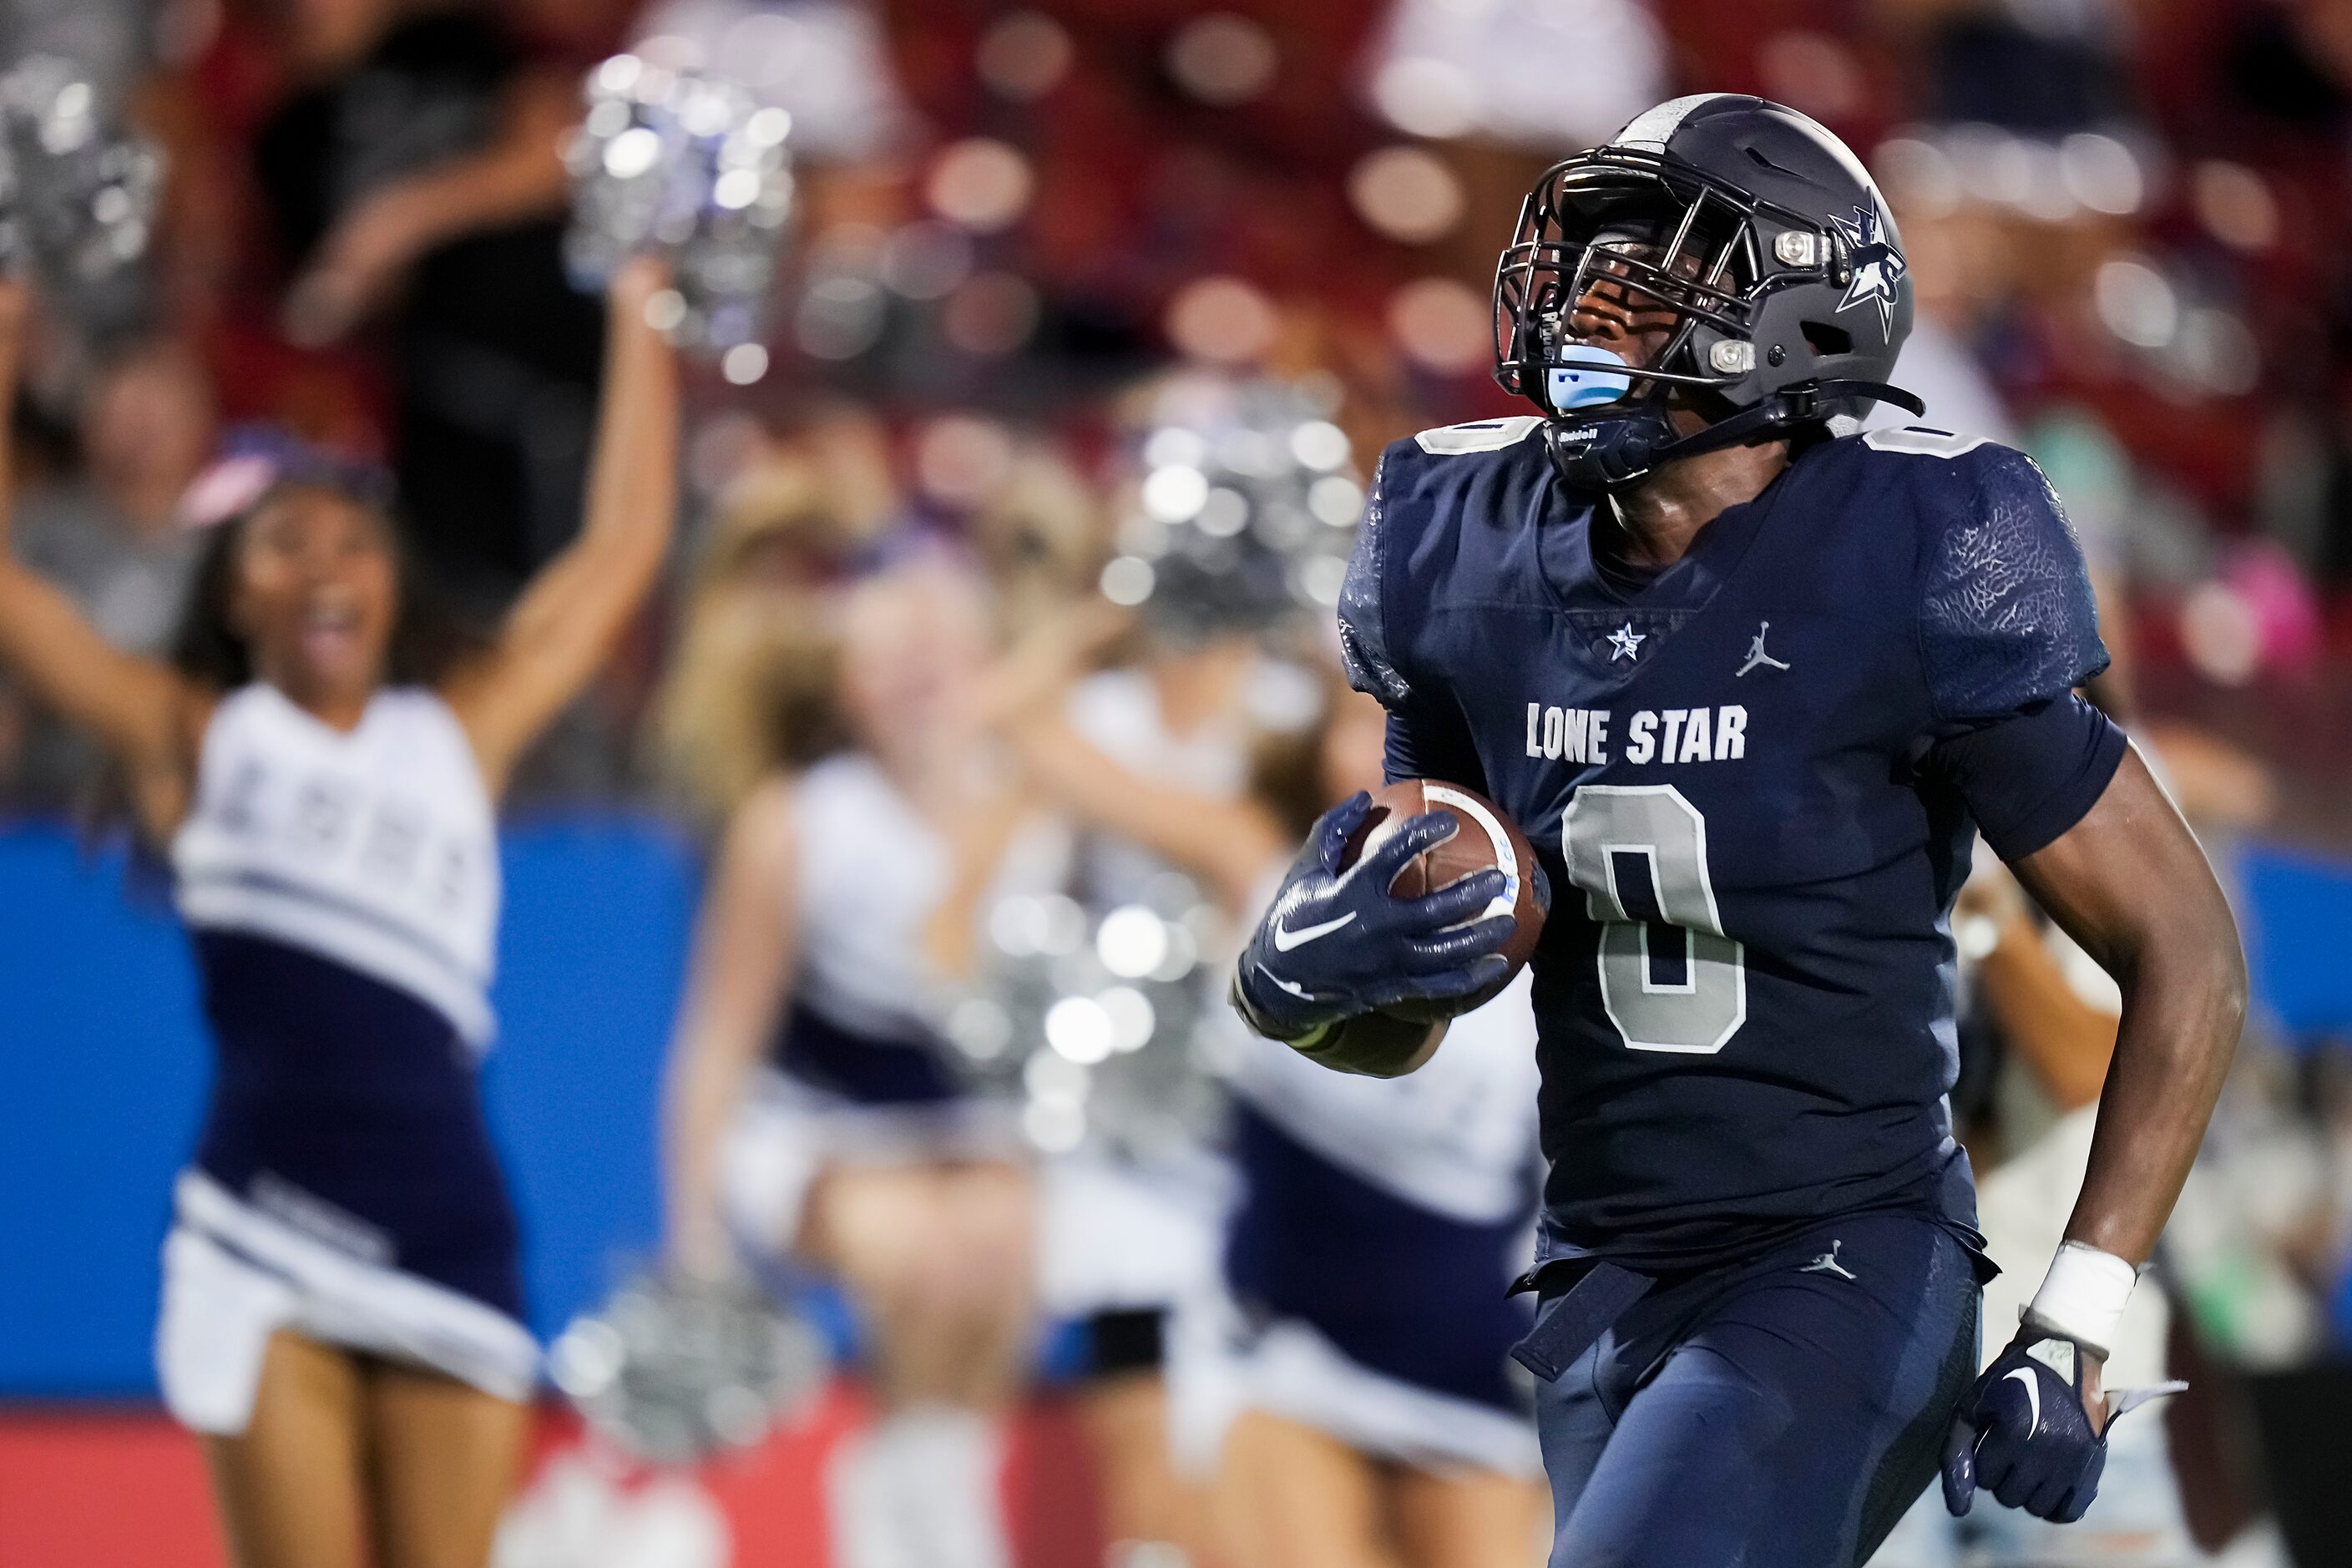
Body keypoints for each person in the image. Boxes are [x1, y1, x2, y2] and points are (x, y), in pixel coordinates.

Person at [1227, 94, 2248, 1568]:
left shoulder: (1908, 551)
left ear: (1798, 318)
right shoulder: (1469, 552)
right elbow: (1416, 1001)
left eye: (1647, 278)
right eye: (1579, 267)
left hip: (1841, 1254)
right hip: (1596, 1272)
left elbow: (2186, 945)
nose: (1585, 305)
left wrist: (2075, 1312)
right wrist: (1297, 981)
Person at [0, 259, 677, 1568]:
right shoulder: (193, 734)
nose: (321, 566)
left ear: (389, 584)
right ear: (237, 591)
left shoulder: (459, 733)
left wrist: (641, 313)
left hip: (448, 1227)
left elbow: (621, 549)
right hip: (263, 1223)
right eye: (284, 544)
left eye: (351, 543)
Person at [1003, 647, 1548, 1568]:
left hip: (1469, 1366)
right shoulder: (1252, 864)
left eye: (1415, 734)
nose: (1382, 757)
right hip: (1284, 1343)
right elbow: (1024, 730)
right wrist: (1164, 604)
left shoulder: (1547, 935)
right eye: (1355, 723)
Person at [660, 559, 1047, 1568]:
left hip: (965, 1125)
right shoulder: (795, 824)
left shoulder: (1036, 797)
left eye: (942, 653)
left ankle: (938, 1476)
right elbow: (718, 1042)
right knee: (909, 1242)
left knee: (1008, 1238)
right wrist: (694, 1236)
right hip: (809, 1128)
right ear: (846, 686)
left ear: (987, 661)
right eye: (891, 660)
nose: (921, 680)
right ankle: (901, 1493)